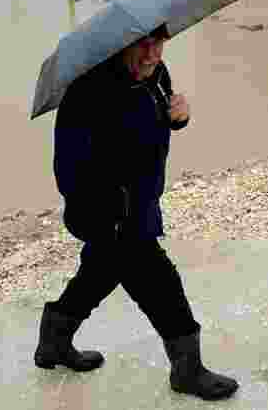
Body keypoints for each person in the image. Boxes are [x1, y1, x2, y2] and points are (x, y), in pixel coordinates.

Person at [34, 23, 239, 401]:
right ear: (119, 46)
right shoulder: (88, 93)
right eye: (143, 47)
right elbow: (67, 169)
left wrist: (180, 116)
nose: (152, 56)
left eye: (159, 45)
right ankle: (187, 371)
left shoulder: (157, 75)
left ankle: (53, 342)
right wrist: (109, 212)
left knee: (98, 274)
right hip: (111, 218)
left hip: (142, 204)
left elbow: (157, 122)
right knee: (162, 285)